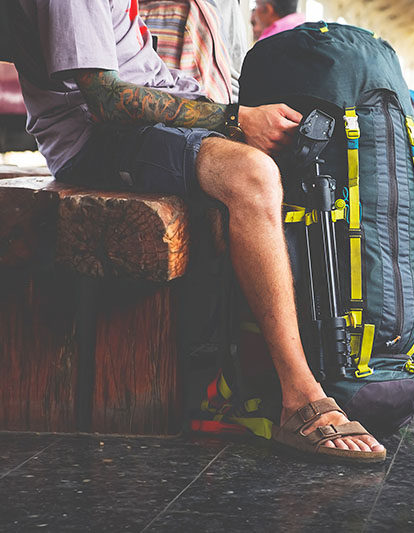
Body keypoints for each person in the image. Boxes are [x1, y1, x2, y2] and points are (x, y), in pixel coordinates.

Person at [8, 0, 385, 463]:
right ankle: (299, 397)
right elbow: (106, 101)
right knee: (252, 175)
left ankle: (337, 361)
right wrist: (234, 118)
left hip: (150, 127)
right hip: (99, 142)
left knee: (311, 157)